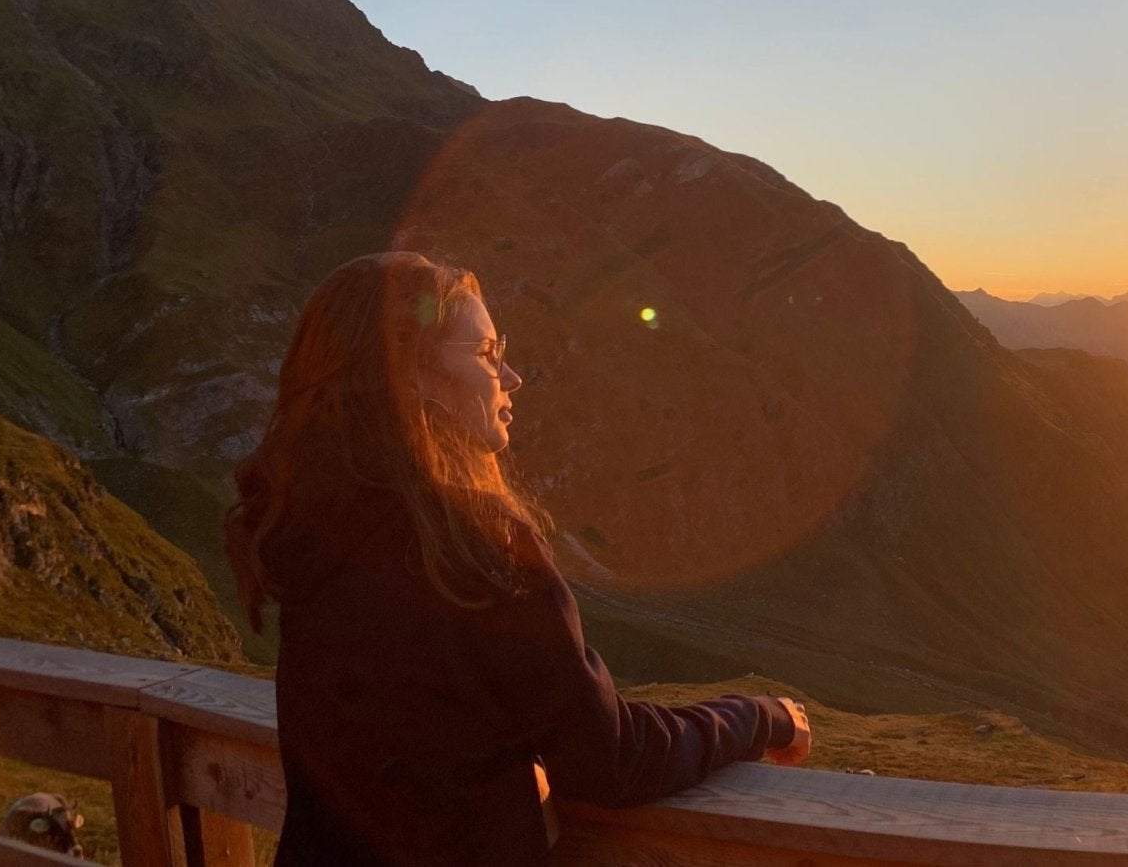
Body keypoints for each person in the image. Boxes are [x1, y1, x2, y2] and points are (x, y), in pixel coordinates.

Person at [224, 251, 810, 866]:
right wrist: (760, 716)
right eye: (484, 353)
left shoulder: (302, 532)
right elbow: (614, 761)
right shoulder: (473, 546)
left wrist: (503, 765)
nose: (511, 377)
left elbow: (407, 729)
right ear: (411, 375)